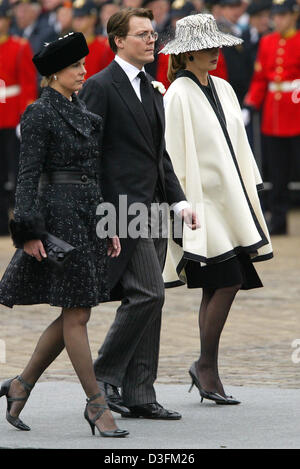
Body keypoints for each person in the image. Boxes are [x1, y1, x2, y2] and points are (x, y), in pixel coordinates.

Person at [0, 32, 128, 438]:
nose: (83, 71)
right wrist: (28, 232)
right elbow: (26, 177)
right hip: (57, 220)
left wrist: (107, 223)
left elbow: (95, 175)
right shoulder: (39, 113)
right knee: (77, 312)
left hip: (87, 216)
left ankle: (20, 385)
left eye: (83, 65)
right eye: (75, 66)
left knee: (77, 309)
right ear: (54, 73)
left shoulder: (84, 111)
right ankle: (96, 403)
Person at [79, 7, 198, 420]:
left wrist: (179, 201)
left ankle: (140, 393)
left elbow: (157, 154)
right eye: (143, 34)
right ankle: (103, 375)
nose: (152, 40)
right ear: (118, 40)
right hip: (117, 211)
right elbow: (87, 157)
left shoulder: (151, 88)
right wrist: (97, 213)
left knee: (149, 298)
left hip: (153, 208)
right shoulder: (99, 86)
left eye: (153, 33)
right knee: (150, 291)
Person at [160, 13, 273, 404]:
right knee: (227, 280)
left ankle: (206, 365)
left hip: (230, 203)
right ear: (187, 54)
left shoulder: (224, 88)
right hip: (201, 208)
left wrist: (249, 191)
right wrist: (181, 207)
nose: (215, 53)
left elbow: (238, 148)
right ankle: (206, 366)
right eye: (207, 47)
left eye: (217, 46)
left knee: (222, 281)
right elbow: (170, 155)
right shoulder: (177, 94)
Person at [244, 0, 300, 235]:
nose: (278, 20)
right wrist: (249, 104)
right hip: (274, 116)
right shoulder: (267, 42)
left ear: (293, 16)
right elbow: (260, 79)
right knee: (276, 173)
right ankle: (278, 219)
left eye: (283, 15)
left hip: (295, 110)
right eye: (276, 16)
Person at [0, 0, 37, 236]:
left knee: (14, 172)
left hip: (11, 117)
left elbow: (26, 85)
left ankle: (16, 219)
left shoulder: (19, 46)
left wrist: (25, 117)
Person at [72, 0, 115, 79]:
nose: (77, 21)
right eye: (75, 17)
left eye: (81, 17)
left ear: (93, 18)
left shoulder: (105, 46)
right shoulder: (69, 47)